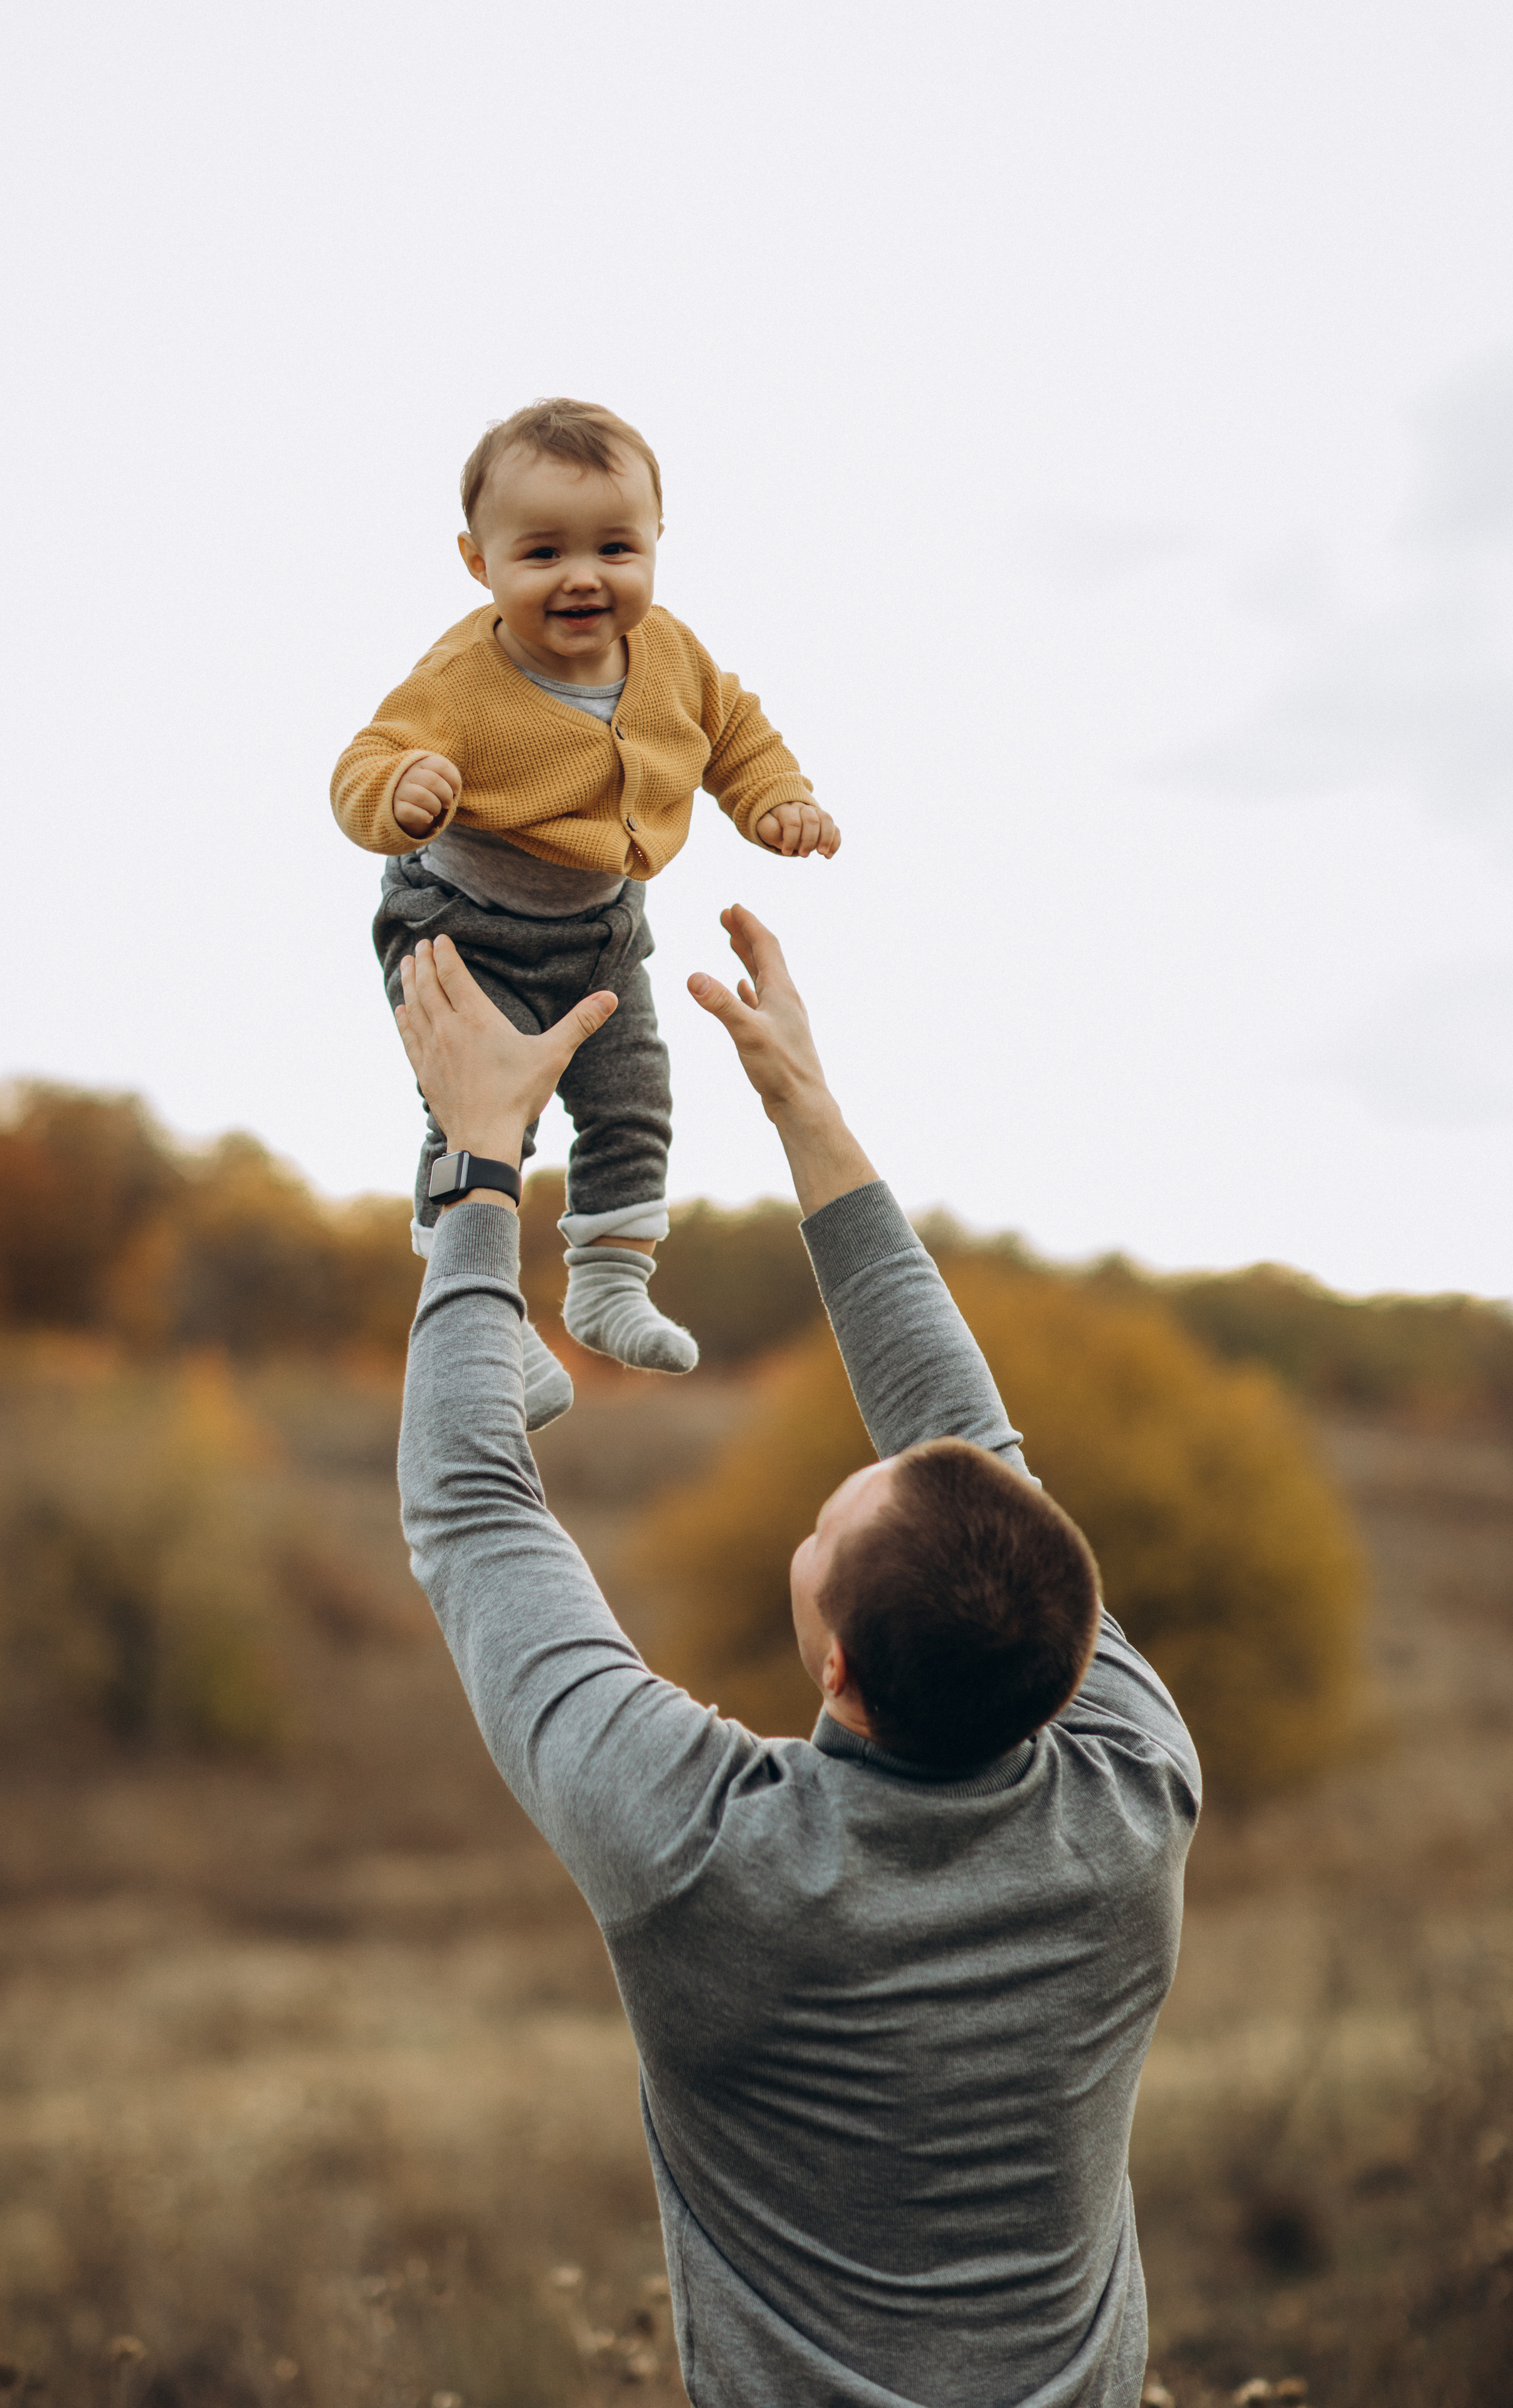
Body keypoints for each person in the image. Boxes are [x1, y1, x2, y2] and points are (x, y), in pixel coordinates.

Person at [392, 904, 1201, 2408]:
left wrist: (478, 1167)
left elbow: (473, 1511)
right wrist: (806, 1111)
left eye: (820, 1531)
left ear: (834, 1670)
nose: (823, 1508)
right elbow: (971, 1455)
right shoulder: (1134, 1795)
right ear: (1076, 1644)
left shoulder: (712, 1862)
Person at [331, 398, 841, 1423]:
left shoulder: (675, 658)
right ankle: (489, 1312)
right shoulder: (460, 679)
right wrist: (401, 794)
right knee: (479, 1124)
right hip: (464, 934)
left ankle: (610, 1281)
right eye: (543, 552)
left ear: (656, 544)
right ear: (480, 563)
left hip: (604, 933)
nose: (583, 576)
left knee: (633, 1097)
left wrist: (777, 797)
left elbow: (736, 734)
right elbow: (363, 767)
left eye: (615, 546)